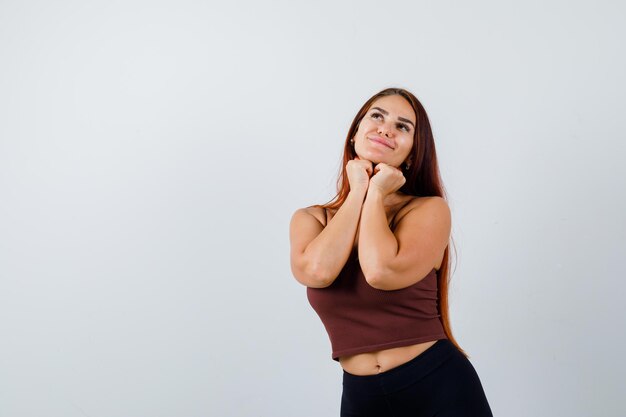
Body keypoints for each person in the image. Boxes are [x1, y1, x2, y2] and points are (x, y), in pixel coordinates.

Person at [289, 87, 494, 416]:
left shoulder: (428, 210)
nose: (386, 128)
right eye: (377, 116)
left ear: (412, 154)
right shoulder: (311, 219)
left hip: (437, 388)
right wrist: (358, 189)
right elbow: (317, 271)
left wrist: (376, 190)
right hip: (361, 398)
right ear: (355, 133)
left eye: (403, 126)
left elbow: (380, 271)